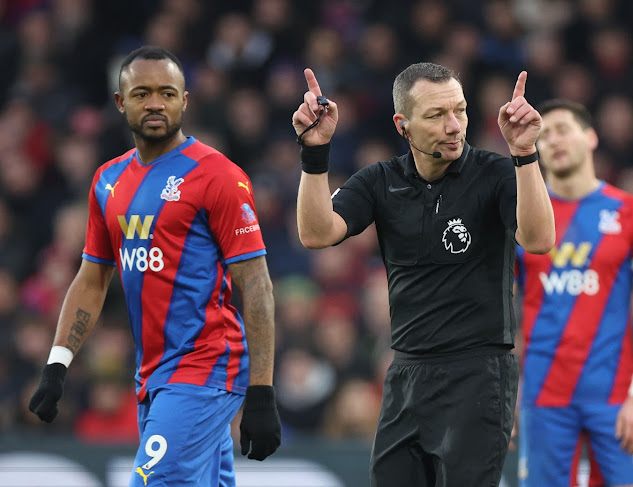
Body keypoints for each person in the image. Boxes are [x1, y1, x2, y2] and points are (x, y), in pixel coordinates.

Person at [28, 46, 281, 487]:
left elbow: (256, 283)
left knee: (152, 482)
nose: (155, 103)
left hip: (205, 367)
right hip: (153, 377)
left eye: (167, 93)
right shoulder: (108, 180)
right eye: (142, 93)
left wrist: (262, 389)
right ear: (120, 102)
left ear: (185, 101)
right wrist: (57, 364)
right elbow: (91, 278)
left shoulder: (217, 175)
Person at [292, 62, 555, 486]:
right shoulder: (381, 181)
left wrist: (525, 153)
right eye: (436, 115)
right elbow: (317, 233)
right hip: (407, 373)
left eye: (461, 111)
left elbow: (540, 240)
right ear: (404, 125)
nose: (454, 126)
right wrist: (315, 151)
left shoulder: (495, 173)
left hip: (479, 374)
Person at [514, 99, 633, 487]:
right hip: (543, 396)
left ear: (591, 137)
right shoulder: (522, 220)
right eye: (543, 135)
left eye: (563, 129)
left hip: (615, 397)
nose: (553, 141)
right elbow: (504, 313)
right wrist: (508, 391)